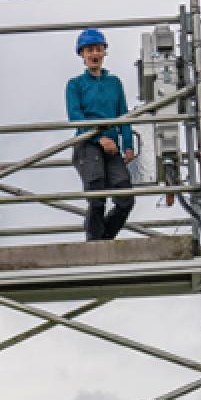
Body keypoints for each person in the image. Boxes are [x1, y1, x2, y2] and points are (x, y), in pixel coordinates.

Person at [66, 28, 135, 241]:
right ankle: (94, 243)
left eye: (98, 49)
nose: (94, 54)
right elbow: (76, 116)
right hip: (88, 145)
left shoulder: (114, 83)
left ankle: (103, 238)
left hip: (112, 147)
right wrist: (98, 138)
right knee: (97, 197)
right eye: (89, 50)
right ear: (82, 55)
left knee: (125, 197)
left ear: (104, 52)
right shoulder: (75, 84)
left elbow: (123, 114)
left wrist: (128, 145)